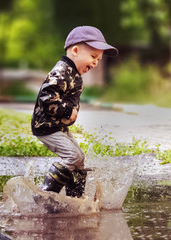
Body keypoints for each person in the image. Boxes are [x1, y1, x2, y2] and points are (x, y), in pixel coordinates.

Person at [31, 26, 118, 198]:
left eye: (99, 59)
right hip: (46, 126)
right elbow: (46, 98)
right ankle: (45, 196)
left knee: (79, 159)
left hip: (57, 127)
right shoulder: (61, 72)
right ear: (76, 51)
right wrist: (66, 111)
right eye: (93, 56)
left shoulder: (73, 74)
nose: (95, 62)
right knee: (73, 155)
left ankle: (75, 199)